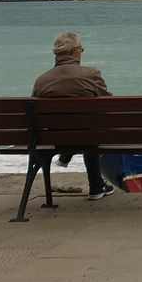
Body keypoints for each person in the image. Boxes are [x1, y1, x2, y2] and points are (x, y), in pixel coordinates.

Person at [32, 31, 114, 200]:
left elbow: (34, 114)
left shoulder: (42, 81)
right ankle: (96, 187)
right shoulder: (91, 75)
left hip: (54, 138)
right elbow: (109, 105)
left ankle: (67, 157)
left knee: (80, 128)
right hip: (90, 136)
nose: (81, 52)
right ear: (73, 51)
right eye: (81, 49)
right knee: (88, 129)